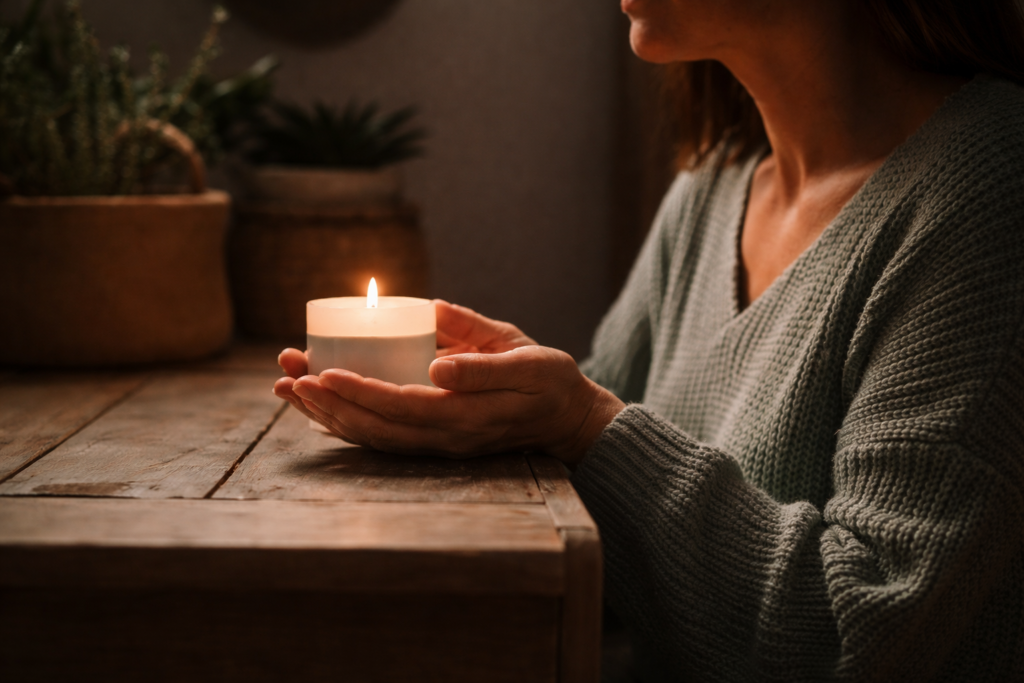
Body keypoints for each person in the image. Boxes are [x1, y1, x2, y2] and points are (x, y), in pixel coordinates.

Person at [275, 0, 1024, 679]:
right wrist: (492, 413)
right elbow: (598, 507)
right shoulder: (709, 192)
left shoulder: (991, 192)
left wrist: (585, 423)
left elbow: (856, 640)